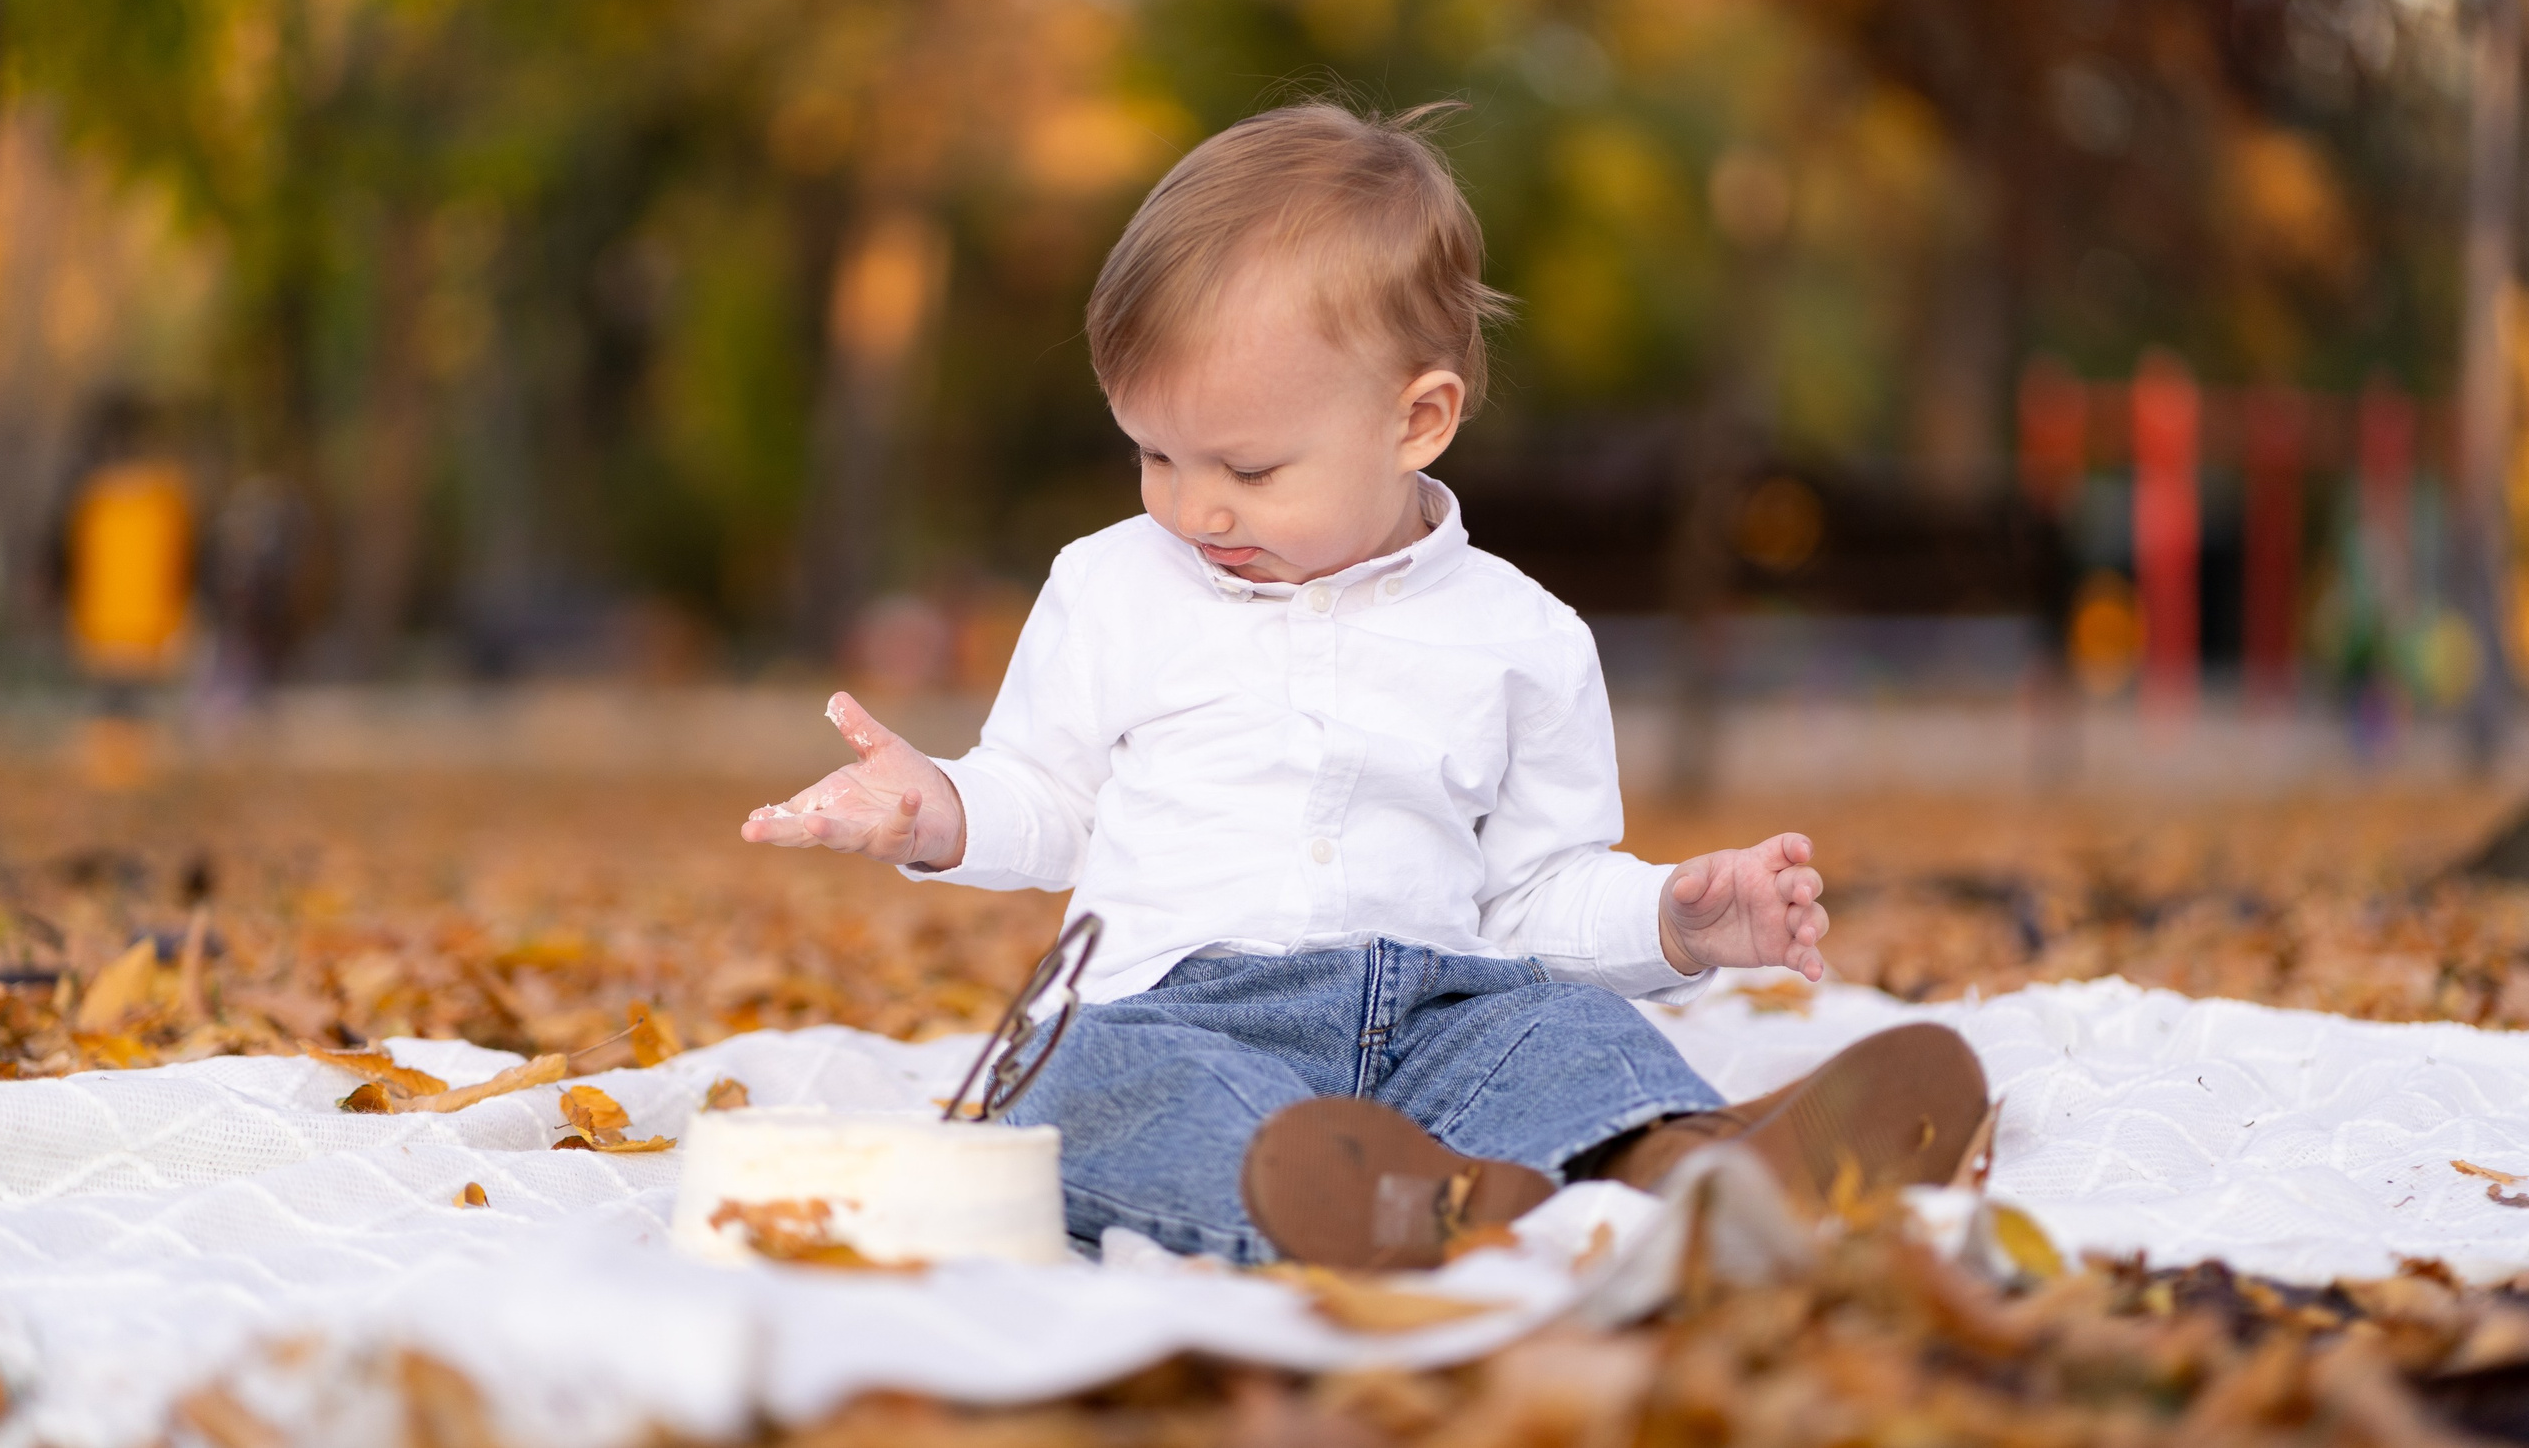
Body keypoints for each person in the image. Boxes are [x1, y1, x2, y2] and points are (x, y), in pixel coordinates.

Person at [746, 102, 1987, 1270]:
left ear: (1417, 422)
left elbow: (1534, 894)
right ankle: (1377, 1202)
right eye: (1154, 455)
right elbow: (1049, 796)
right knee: (1082, 1084)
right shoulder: (1111, 586)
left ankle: (1683, 1165)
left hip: (1432, 1017)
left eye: (1247, 468)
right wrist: (938, 810)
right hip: (1179, 1015)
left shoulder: (1522, 637)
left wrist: (1672, 921)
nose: (1194, 506)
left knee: (1563, 1037)